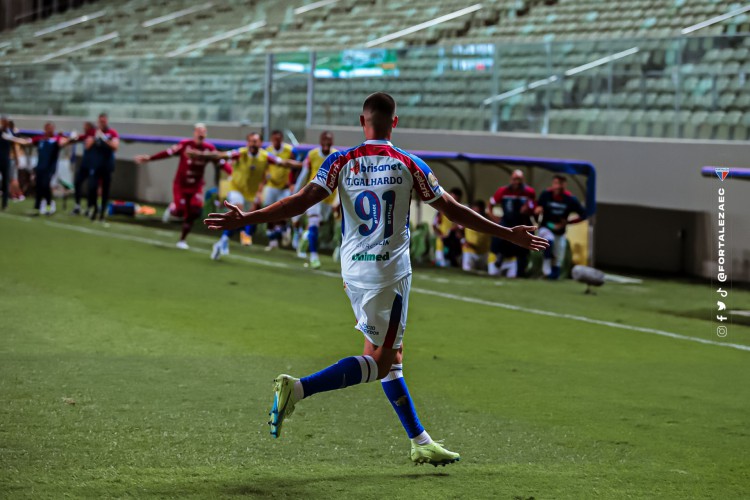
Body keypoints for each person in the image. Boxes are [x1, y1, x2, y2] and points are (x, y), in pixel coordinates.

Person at [203, 92, 548, 465]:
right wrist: (507, 232)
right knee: (382, 361)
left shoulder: (340, 161)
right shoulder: (409, 164)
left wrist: (246, 219)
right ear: (394, 122)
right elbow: (452, 209)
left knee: (390, 356)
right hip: (389, 273)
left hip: (352, 270)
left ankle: (420, 440)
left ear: (360, 121)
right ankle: (298, 389)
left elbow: (298, 202)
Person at [188, 132, 299, 260]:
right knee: (238, 211)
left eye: (256, 141)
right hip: (235, 189)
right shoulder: (241, 153)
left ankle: (221, 242)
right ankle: (224, 241)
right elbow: (220, 155)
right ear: (247, 143)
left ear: (261, 143)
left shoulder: (265, 156)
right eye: (251, 141)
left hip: (250, 195)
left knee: (243, 220)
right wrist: (200, 155)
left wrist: (304, 165)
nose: (253, 143)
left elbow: (283, 163)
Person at [135, 123, 230, 249]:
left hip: (196, 185)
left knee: (194, 211)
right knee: (180, 211)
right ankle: (172, 208)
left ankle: (182, 239)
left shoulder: (209, 148)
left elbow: (220, 162)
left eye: (203, 131)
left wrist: (231, 173)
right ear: (194, 133)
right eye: (198, 131)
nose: (201, 134)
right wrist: (150, 158)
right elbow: (168, 153)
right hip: (181, 184)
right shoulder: (185, 145)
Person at [293, 131, 338, 269]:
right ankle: (314, 256)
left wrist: (338, 200)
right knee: (314, 222)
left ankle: (305, 238)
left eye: (329, 140)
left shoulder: (337, 156)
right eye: (324, 139)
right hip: (313, 195)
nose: (326, 142)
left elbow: (341, 180)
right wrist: (296, 194)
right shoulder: (312, 155)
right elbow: (303, 175)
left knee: (319, 224)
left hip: (329, 198)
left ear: (332, 142)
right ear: (320, 141)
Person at [535, 175, 587, 280]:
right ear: (552, 184)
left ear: (565, 185)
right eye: (556, 183)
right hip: (546, 227)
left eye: (560, 184)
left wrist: (568, 222)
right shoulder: (546, 195)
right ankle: (546, 271)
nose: (558, 186)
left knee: (558, 256)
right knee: (549, 241)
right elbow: (536, 208)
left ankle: (553, 276)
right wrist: (537, 211)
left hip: (560, 231)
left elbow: (583, 214)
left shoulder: (570, 199)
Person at [487, 169, 536, 278]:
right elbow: (490, 205)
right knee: (499, 237)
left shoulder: (529, 192)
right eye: (515, 179)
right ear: (511, 179)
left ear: (522, 180)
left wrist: (528, 209)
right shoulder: (503, 191)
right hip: (507, 221)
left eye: (519, 179)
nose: (517, 182)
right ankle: (499, 256)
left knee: (524, 245)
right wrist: (495, 219)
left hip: (523, 221)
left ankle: (521, 270)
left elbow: (533, 206)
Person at [25, 122, 74, 214]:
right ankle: (37, 206)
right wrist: (11, 138)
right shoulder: (40, 139)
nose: (50, 130)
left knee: (45, 185)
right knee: (39, 186)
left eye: (51, 128)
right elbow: (27, 142)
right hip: (40, 167)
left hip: (50, 168)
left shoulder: (56, 139)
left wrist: (70, 137)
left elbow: (63, 143)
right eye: (48, 128)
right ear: (45, 129)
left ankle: (48, 205)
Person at [263, 130, 301, 249]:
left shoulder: (290, 150)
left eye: (278, 139)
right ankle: (272, 240)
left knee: (283, 212)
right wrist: (265, 178)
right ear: (271, 139)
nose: (276, 141)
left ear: (282, 139)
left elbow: (297, 166)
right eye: (274, 139)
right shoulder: (267, 151)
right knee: (268, 212)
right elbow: (264, 166)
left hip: (284, 187)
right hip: (271, 186)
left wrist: (293, 183)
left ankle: (285, 229)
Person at [87, 113, 120, 221]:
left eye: (104, 121)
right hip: (95, 165)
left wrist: (104, 138)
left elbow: (115, 147)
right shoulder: (94, 132)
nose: (102, 123)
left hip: (107, 165)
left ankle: (102, 212)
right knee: (92, 187)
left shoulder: (112, 133)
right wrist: (95, 136)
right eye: (100, 121)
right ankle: (95, 208)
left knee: (105, 189)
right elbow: (87, 146)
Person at [432, 187, 463, 267]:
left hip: (454, 244)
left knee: (452, 267)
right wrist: (440, 235)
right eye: (452, 198)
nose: (453, 201)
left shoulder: (461, 212)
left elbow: (461, 227)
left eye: (456, 199)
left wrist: (456, 231)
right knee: (442, 267)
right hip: (441, 244)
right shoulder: (440, 210)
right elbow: (434, 225)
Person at [71, 121, 96, 215]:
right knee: (77, 182)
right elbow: (76, 139)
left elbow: (88, 145)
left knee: (91, 186)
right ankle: (77, 205)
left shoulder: (95, 134)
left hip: (93, 165)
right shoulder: (86, 135)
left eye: (85, 126)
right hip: (84, 165)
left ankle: (90, 207)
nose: (84, 128)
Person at [461, 200, 492, 273]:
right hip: (469, 251)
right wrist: (463, 240)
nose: (476, 212)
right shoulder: (466, 218)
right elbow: (458, 230)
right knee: (467, 273)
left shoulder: (488, 220)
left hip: (484, 252)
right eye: (475, 209)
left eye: (479, 209)